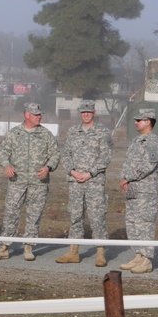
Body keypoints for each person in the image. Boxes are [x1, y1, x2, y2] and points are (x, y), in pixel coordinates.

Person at [0, 102, 60, 261]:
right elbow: (3, 153)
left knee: (34, 215)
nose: (39, 116)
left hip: (38, 183)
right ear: (26, 115)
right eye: (36, 114)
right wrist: (6, 165)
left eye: (40, 114)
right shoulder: (14, 133)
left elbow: (55, 154)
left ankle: (28, 247)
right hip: (17, 181)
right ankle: (4, 247)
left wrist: (48, 167)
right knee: (10, 214)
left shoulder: (45, 135)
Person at [56, 100, 113, 266]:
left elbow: (106, 157)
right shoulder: (73, 131)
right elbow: (66, 154)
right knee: (75, 216)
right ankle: (73, 251)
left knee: (97, 217)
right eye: (83, 112)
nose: (86, 114)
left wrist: (90, 174)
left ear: (94, 113)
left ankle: (100, 252)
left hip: (94, 181)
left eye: (89, 112)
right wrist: (73, 171)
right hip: (75, 182)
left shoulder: (103, 132)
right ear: (80, 113)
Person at [117, 108, 158, 274]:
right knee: (132, 223)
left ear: (148, 121)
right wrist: (124, 178)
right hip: (133, 190)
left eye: (139, 120)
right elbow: (129, 162)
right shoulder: (138, 140)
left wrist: (128, 177)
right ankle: (138, 254)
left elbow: (149, 165)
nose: (136, 122)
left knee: (145, 224)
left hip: (145, 191)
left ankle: (147, 259)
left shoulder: (153, 141)